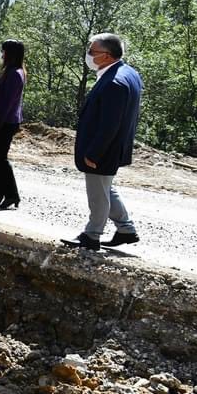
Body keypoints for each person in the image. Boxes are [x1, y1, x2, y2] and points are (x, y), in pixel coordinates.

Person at [61, 33, 143, 251]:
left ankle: (92, 235)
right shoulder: (128, 73)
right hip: (114, 146)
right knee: (106, 188)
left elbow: (109, 125)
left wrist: (94, 152)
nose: (88, 55)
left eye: (92, 51)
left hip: (104, 149)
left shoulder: (114, 83)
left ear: (106, 56)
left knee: (97, 193)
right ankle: (126, 229)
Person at [0, 40, 26, 209]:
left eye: (3, 51)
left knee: (0, 159)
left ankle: (12, 195)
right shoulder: (11, 71)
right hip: (4, 120)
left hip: (6, 122)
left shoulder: (15, 73)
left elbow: (6, 103)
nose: (1, 53)